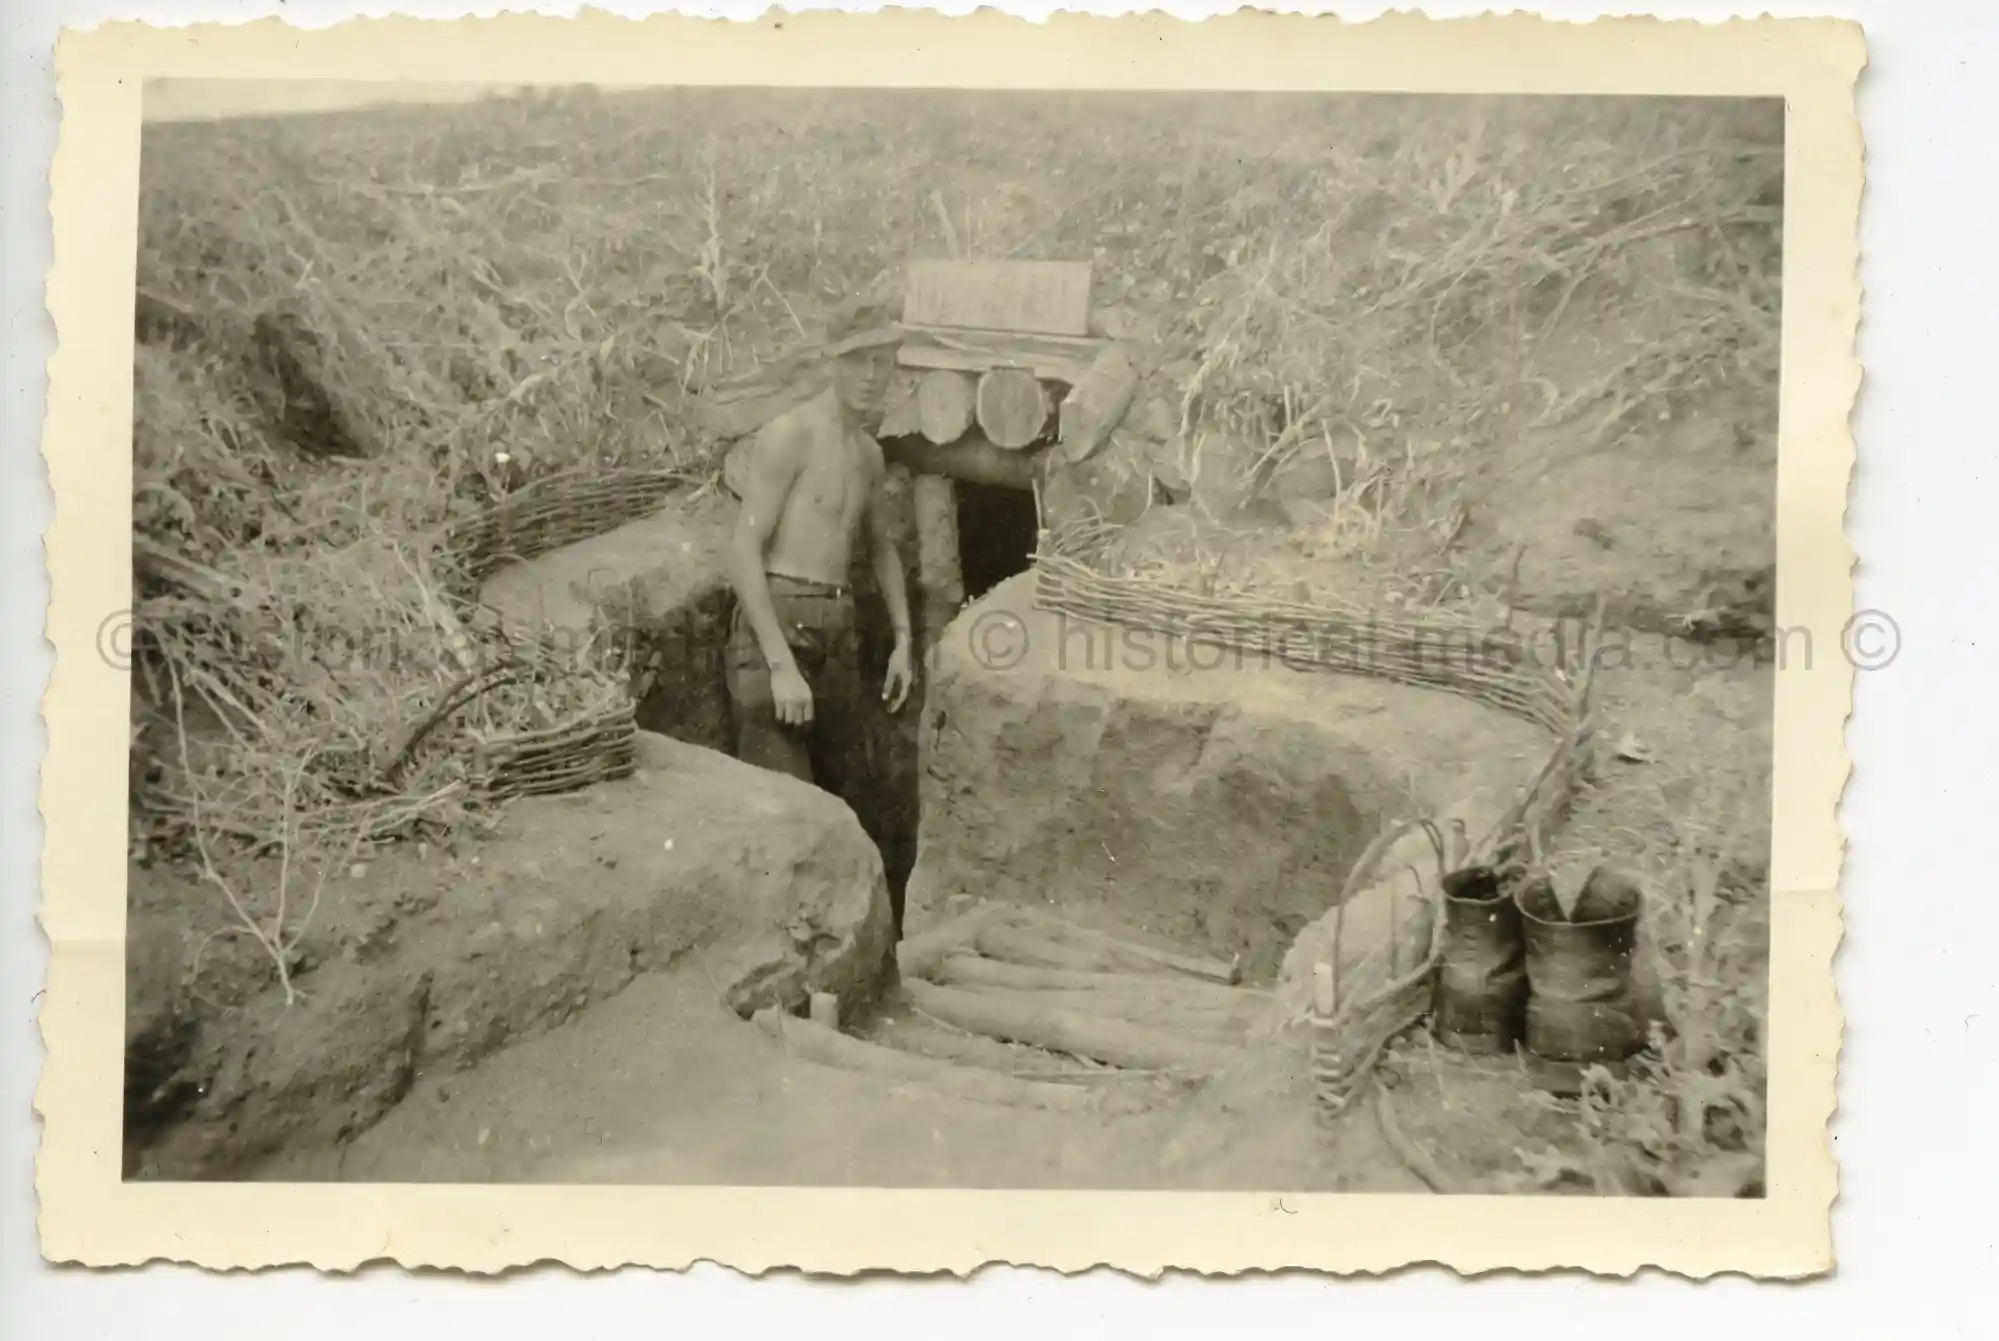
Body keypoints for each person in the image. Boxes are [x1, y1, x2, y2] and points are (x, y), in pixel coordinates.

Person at [723, 298, 916, 829]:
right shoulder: (791, 435)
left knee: (846, 807)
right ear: (833, 362)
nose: (873, 376)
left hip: (838, 634)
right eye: (859, 361)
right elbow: (742, 551)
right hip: (778, 631)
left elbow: (880, 548)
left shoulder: (869, 455)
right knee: (785, 815)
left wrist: (903, 641)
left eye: (883, 362)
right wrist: (781, 666)